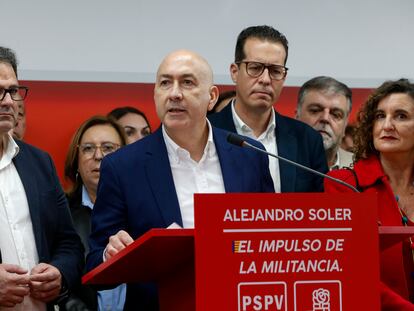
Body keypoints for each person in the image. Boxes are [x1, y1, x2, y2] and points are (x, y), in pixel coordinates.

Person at [86, 49, 275, 310]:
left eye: (187, 82)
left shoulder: (249, 155)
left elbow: (271, 239)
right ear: (155, 95)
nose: (174, 93)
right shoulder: (123, 166)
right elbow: (95, 262)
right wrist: (111, 253)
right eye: (165, 83)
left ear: (212, 97)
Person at [0, 47, 83, 310]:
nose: (8, 101)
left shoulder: (39, 163)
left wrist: (59, 273)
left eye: (13, 90)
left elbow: (69, 243)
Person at [325, 79, 414, 309]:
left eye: (401, 116)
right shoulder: (344, 185)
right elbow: (347, 268)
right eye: (379, 116)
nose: (387, 125)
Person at [208, 25, 328, 192]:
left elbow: (321, 209)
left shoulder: (307, 140)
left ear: (284, 77)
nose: (265, 79)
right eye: (255, 68)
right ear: (235, 72)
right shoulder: (205, 132)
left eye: (275, 71)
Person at [64, 115, 127, 310]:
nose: (98, 156)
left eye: (108, 148)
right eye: (88, 148)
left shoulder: (141, 207)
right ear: (76, 159)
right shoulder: (60, 211)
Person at [296, 76, 354, 169]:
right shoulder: (275, 160)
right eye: (315, 110)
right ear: (297, 117)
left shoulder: (361, 168)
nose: (325, 118)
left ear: (345, 125)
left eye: (335, 114)